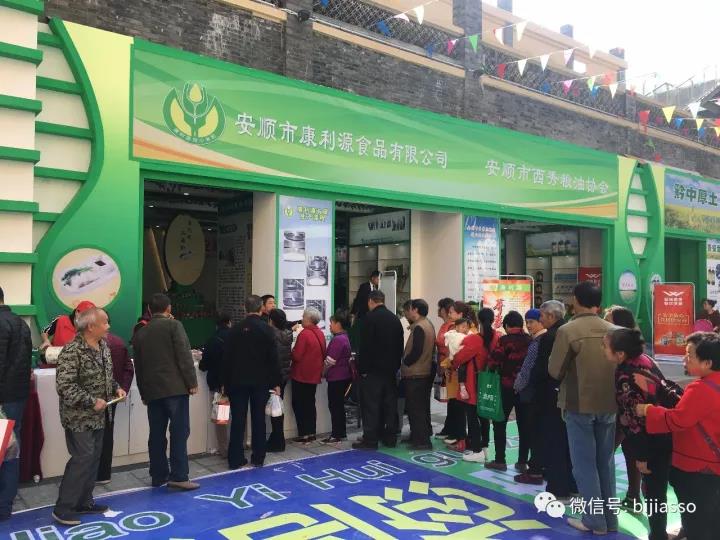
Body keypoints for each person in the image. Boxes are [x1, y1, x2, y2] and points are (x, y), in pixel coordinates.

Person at [549, 282, 618, 535]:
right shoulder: (616, 330)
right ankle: (610, 519)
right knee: (606, 463)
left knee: (584, 465)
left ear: (576, 300)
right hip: (610, 404)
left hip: (578, 405)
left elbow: (555, 370)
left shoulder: (568, 330)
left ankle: (594, 521)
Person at [637, 332, 720, 540]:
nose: (685, 359)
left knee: (698, 522)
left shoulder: (701, 389)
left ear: (708, 363)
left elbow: (678, 420)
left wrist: (648, 410)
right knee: (711, 517)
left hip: (698, 466)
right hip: (713, 465)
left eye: (690, 355)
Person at [53, 307, 125, 526]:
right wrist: (91, 401)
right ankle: (63, 508)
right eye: (105, 322)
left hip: (100, 416)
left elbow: (107, 376)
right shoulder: (72, 351)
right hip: (79, 418)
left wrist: (116, 388)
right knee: (81, 460)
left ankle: (84, 501)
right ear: (91, 326)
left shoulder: (103, 346)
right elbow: (65, 386)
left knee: (93, 459)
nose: (108, 326)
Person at [605, 328, 679, 540]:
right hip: (667, 429)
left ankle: (658, 534)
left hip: (652, 438)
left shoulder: (626, 377)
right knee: (667, 485)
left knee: (654, 490)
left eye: (605, 346)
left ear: (620, 353)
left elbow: (636, 421)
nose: (602, 350)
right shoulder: (645, 361)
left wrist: (642, 456)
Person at [132, 293, 199, 491]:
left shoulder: (141, 332)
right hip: (175, 388)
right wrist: (191, 382)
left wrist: (143, 392)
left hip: (152, 391)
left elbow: (139, 367)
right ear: (169, 308)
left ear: (149, 310)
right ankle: (179, 475)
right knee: (179, 432)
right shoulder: (174, 326)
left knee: (156, 434)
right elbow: (184, 355)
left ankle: (158, 475)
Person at [516, 301, 577, 503]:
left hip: (550, 396)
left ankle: (558, 488)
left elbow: (543, 369)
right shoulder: (570, 331)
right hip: (570, 394)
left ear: (551, 316)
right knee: (568, 442)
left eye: (541, 316)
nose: (539, 320)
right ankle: (573, 485)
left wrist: (528, 388)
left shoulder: (551, 337)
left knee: (553, 441)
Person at [223, 296, 281, 468]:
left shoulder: (234, 330)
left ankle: (235, 458)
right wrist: (276, 382)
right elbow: (273, 358)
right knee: (258, 419)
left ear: (244, 308)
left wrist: (224, 382)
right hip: (260, 381)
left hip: (237, 381)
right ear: (261, 308)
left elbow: (227, 359)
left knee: (238, 420)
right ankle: (258, 456)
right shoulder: (267, 330)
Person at [353, 290, 404, 450]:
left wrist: (362, 369)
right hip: (390, 371)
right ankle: (390, 437)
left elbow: (365, 347)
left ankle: (370, 439)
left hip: (372, 371)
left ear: (370, 301)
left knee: (371, 406)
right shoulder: (394, 319)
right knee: (389, 405)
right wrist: (396, 366)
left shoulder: (369, 318)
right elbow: (399, 346)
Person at [604, 305, 642, 512]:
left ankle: (606, 497)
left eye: (608, 320)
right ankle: (633, 496)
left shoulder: (630, 362)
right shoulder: (630, 354)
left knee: (607, 452)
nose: (604, 324)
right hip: (627, 415)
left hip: (629, 415)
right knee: (630, 453)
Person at [0, 287, 32, 521]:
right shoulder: (21, 323)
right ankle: (5, 503)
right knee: (11, 449)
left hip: (2, 398)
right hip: (17, 396)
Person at [485, 311, 531, 471]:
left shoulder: (504, 341)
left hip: (506, 387)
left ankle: (500, 460)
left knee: (500, 422)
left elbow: (493, 362)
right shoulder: (530, 340)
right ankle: (522, 461)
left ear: (506, 326)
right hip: (525, 388)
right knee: (524, 425)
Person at [452, 308, 498, 463]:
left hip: (473, 383)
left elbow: (458, 358)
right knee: (485, 416)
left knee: (472, 417)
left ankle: (477, 450)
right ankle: (485, 448)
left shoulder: (474, 340)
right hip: (490, 383)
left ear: (478, 321)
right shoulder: (497, 337)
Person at [96, 327, 134, 484]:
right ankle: (103, 474)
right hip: (112, 396)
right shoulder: (118, 342)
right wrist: (122, 388)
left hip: (93, 400)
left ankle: (91, 475)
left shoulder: (95, 344)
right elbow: (128, 368)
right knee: (107, 433)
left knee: (90, 437)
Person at [513, 308, 547, 473]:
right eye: (527, 322)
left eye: (532, 322)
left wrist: (517, 385)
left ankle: (533, 467)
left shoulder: (537, 342)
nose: (528, 325)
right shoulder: (545, 339)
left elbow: (527, 368)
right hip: (542, 392)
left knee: (530, 428)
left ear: (541, 321)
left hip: (531, 393)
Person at [401, 299, 436, 450]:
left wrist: (405, 361)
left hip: (416, 373)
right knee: (420, 408)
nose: (407, 313)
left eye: (409, 309)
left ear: (415, 310)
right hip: (423, 371)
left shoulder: (420, 327)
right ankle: (419, 437)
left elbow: (416, 351)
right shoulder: (427, 324)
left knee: (416, 409)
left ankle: (422, 441)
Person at [442, 301, 477, 451]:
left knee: (462, 408)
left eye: (451, 312)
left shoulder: (469, 331)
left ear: (460, 314)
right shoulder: (454, 329)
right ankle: (459, 436)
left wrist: (450, 363)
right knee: (457, 406)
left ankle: (464, 439)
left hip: (463, 374)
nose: (449, 314)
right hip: (454, 373)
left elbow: (462, 354)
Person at [199, 311, 232, 458]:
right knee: (240, 416)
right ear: (229, 322)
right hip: (237, 384)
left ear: (216, 324)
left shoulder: (212, 340)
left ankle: (224, 449)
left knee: (222, 418)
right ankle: (241, 443)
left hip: (220, 387)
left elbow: (203, 366)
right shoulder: (237, 337)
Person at [290, 308, 326, 444]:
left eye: (304, 316)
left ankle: (303, 434)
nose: (302, 318)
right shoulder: (320, 333)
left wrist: (291, 350)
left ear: (309, 319)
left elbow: (297, 356)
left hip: (301, 375)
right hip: (314, 375)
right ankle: (311, 433)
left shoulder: (304, 334)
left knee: (299, 404)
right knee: (310, 404)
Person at [323, 309, 353, 443]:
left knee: (335, 406)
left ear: (338, 324)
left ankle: (336, 434)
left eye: (332, 323)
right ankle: (341, 433)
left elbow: (330, 361)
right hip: (343, 376)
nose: (330, 325)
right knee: (339, 406)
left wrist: (322, 372)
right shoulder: (345, 337)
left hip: (336, 377)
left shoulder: (338, 340)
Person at [267, 308, 293, 452]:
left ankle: (278, 441)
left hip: (273, 376)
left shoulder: (271, 334)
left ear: (271, 321)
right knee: (278, 407)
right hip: (284, 375)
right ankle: (278, 438)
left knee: (274, 409)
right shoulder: (288, 334)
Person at [434, 297, 457, 439]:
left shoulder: (453, 326)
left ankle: (452, 429)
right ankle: (449, 428)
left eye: (440, 308)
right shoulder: (444, 325)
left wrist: (445, 365)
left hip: (449, 367)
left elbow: (451, 348)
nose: (438, 310)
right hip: (442, 364)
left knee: (453, 399)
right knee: (449, 399)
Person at [445, 318, 471, 399]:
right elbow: (454, 347)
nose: (465, 329)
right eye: (463, 327)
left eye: (467, 327)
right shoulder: (453, 335)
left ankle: (462, 387)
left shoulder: (469, 335)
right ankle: (462, 387)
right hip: (455, 359)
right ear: (456, 327)